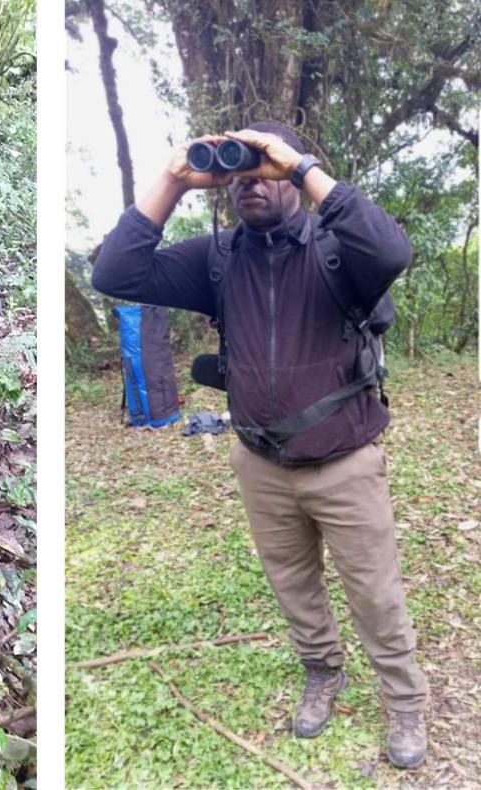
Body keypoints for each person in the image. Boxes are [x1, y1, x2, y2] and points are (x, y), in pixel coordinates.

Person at [91, 121, 427, 769]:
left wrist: (294, 164)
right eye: (240, 174)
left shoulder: (339, 250)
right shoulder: (217, 258)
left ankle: (404, 700)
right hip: (261, 462)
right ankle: (322, 671)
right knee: (293, 583)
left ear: (294, 179)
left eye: (264, 173)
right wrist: (173, 179)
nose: (251, 184)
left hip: (346, 462)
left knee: (375, 592)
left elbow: (391, 252)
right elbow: (116, 271)